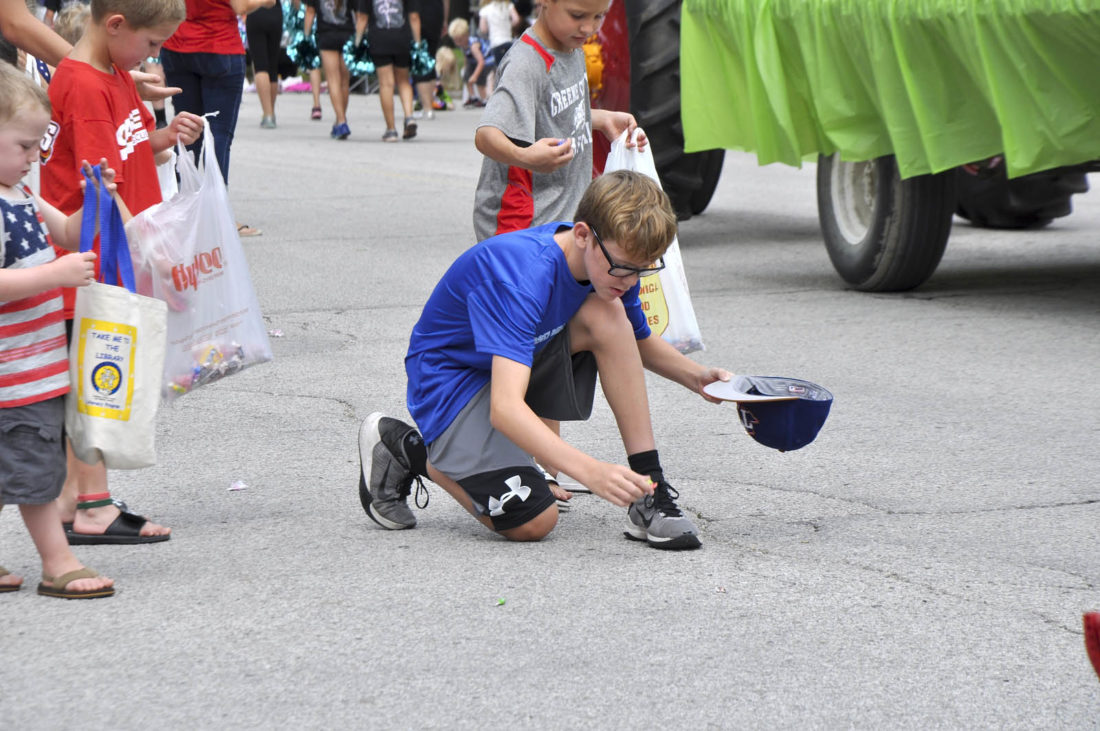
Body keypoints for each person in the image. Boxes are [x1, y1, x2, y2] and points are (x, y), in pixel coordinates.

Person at [358, 171, 730, 549]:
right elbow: (504, 408)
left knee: (610, 313)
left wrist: (698, 377)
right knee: (534, 519)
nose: (631, 281)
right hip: (453, 383)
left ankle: (650, 489)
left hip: (512, 365)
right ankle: (410, 451)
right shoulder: (522, 278)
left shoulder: (611, 268)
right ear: (583, 234)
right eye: (623, 267)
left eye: (643, 269)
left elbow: (638, 341)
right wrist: (591, 472)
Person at [40, 0, 204, 545]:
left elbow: (129, 149)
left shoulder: (110, 72)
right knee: (96, 382)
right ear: (115, 25)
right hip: (98, 253)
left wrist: (166, 135)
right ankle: (93, 504)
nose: (153, 57)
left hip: (111, 250)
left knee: (89, 376)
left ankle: (71, 498)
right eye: (153, 43)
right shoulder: (86, 87)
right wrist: (151, 250)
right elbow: (100, 184)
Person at [0, 62, 115, 598]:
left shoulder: (21, 193)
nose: (32, 159)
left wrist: (97, 200)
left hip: (37, 368)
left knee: (32, 464)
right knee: (37, 474)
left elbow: (68, 230)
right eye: (24, 146)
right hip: (12, 375)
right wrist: (54, 275)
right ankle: (57, 561)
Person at [471, 0, 640, 243]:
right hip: (525, 229)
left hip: (562, 220)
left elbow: (550, 111)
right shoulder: (526, 63)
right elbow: (486, 134)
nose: (588, 28)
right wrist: (526, 157)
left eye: (599, 16)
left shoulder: (571, 46)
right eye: (577, 15)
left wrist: (603, 119)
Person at [161, 0, 274, 237]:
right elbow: (241, 6)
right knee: (218, 135)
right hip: (218, 45)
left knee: (186, 132)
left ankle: (182, 211)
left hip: (178, 45)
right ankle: (218, 215)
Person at [356, 0, 417, 141]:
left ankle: (391, 130)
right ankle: (409, 116)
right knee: (403, 81)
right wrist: (418, 43)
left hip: (379, 38)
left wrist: (357, 43)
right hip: (402, 38)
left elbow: (363, 17)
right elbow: (414, 17)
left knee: (386, 84)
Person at [303, 0, 356, 139]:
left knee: (333, 80)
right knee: (344, 82)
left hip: (327, 35)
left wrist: (306, 36)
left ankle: (341, 120)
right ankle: (341, 119)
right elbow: (357, 11)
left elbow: (310, 11)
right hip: (347, 34)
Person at [246, 0, 284, 128]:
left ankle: (267, 114)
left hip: (255, 11)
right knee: (272, 67)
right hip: (275, 11)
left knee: (260, 66)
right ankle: (271, 112)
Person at [408, 0, 446, 120]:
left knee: (420, 62)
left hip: (419, 14)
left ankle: (427, 107)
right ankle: (428, 104)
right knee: (430, 59)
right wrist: (444, 18)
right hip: (436, 13)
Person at [446, 17, 490, 108]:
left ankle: (485, 99)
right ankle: (473, 97)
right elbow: (467, 57)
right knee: (467, 77)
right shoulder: (463, 45)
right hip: (473, 62)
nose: (458, 43)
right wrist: (466, 68)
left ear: (467, 35)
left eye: (460, 40)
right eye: (455, 41)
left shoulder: (473, 45)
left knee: (480, 81)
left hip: (485, 61)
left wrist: (475, 75)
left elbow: (481, 61)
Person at [477, 0, 516, 73]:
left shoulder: (485, 10)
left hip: (496, 44)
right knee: (511, 69)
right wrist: (510, 27)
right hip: (508, 41)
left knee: (500, 70)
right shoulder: (508, 6)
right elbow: (516, 19)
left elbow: (483, 29)